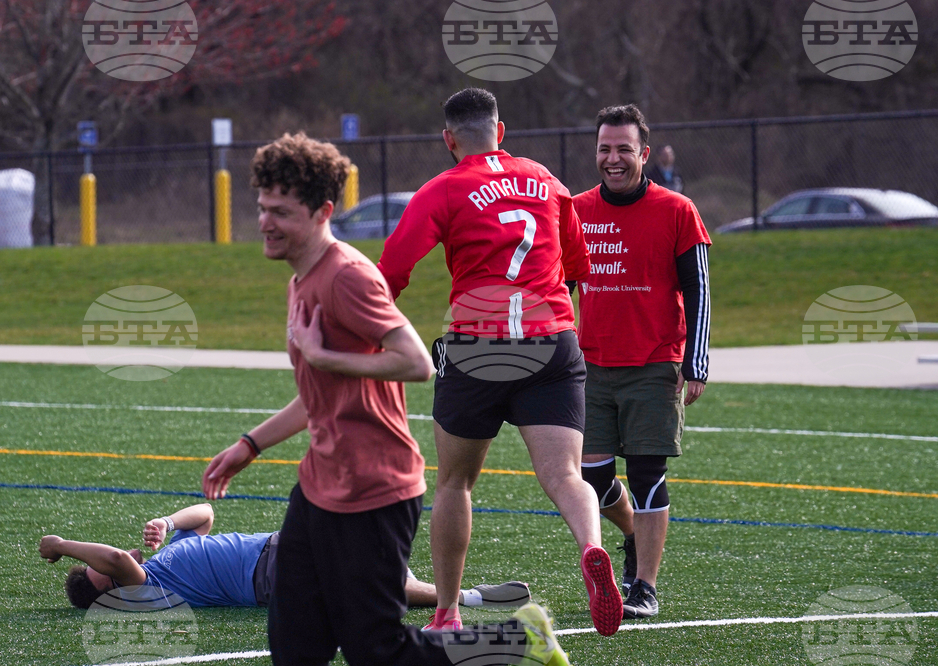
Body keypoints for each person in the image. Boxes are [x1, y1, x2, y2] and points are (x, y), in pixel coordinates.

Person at [198, 132, 570, 666]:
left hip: (375, 490)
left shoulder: (347, 276)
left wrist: (328, 358)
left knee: (377, 651)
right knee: (295, 645)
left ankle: (518, 641)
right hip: (320, 485)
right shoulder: (299, 278)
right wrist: (250, 444)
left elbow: (415, 361)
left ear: (323, 211)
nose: (265, 222)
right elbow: (318, 394)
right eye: (261, 208)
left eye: (281, 211)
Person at [377, 87, 622, 637]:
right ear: (501, 131)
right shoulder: (546, 179)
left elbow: (394, 265)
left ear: (449, 139)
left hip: (479, 344)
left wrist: (371, 324)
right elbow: (577, 261)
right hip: (552, 339)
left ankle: (446, 612)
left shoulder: (443, 189)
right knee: (564, 475)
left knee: (455, 485)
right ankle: (590, 546)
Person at [574, 105, 711, 620]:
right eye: (605, 149)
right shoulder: (576, 209)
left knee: (648, 473)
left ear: (644, 154)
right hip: (589, 366)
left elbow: (698, 288)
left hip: (656, 362)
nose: (613, 159)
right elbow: (559, 285)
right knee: (592, 478)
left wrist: (696, 361)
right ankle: (630, 536)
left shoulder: (677, 210)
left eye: (624, 149)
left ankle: (645, 590)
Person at [39, 502, 532, 611]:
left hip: (278, 550)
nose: (108, 558)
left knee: (373, 557)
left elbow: (205, 514)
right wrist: (60, 547)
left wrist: (168, 523)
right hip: (272, 571)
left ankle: (457, 597)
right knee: (372, 579)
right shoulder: (142, 585)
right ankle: (464, 599)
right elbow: (111, 558)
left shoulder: (165, 562)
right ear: (109, 587)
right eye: (99, 570)